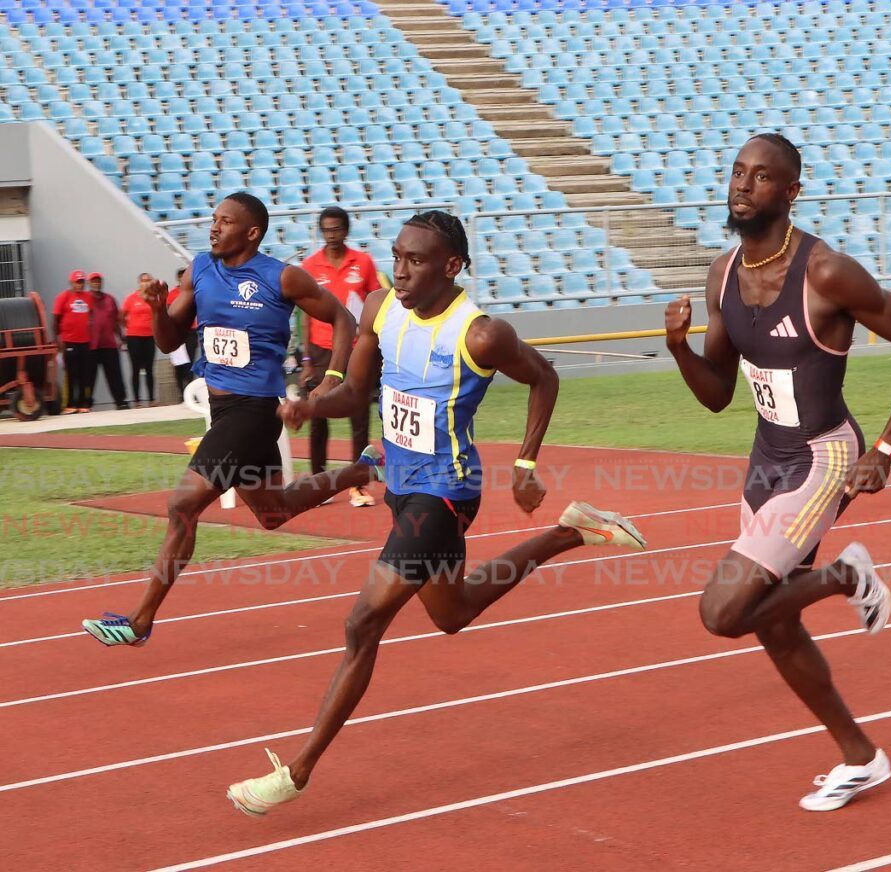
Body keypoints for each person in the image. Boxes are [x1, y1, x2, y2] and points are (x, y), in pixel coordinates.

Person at [226, 211, 646, 816]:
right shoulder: (378, 307)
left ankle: (296, 773)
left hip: (445, 491)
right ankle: (570, 532)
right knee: (454, 613)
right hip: (395, 472)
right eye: (396, 256)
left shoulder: (480, 334)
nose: (399, 270)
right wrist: (311, 407)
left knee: (362, 624)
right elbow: (354, 392)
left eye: (415, 261)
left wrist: (525, 465)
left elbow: (545, 378)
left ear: (452, 267)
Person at [663, 134, 891, 811]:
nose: (744, 185)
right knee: (773, 623)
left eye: (763, 177)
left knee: (723, 611)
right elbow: (718, 394)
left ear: (791, 191)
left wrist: (886, 449)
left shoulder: (826, 273)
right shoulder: (722, 276)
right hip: (765, 463)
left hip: (824, 456)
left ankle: (844, 574)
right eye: (738, 172)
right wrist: (676, 348)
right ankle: (861, 758)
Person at [82, 193, 364, 647]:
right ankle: (360, 469)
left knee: (182, 505)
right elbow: (169, 339)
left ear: (251, 233)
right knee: (275, 512)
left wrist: (330, 378)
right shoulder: (200, 270)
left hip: (254, 411)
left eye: (225, 221)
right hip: (222, 410)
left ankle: (139, 620)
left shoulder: (281, 277)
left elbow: (342, 317)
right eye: (214, 220)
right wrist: (157, 308)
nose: (214, 228)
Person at [300, 207, 381, 507]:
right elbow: (305, 316)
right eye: (327, 229)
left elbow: (376, 302)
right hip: (322, 351)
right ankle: (318, 481)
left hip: (358, 349)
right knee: (318, 416)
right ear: (321, 232)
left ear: (346, 230)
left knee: (359, 417)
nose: (332, 235)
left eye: (337, 229)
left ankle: (358, 485)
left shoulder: (363, 262)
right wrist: (307, 361)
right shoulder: (310, 266)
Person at [85, 272, 129, 410]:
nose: (96, 283)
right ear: (89, 283)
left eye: (98, 281)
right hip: (91, 345)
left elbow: (116, 320)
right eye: (93, 281)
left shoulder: (110, 299)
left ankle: (120, 401)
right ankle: (86, 403)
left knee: (115, 374)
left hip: (109, 343)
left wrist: (121, 336)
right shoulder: (85, 300)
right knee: (89, 377)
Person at [52, 270, 93, 413]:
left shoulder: (88, 297)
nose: (80, 285)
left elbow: (91, 315)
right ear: (71, 283)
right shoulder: (63, 297)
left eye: (82, 282)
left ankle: (82, 404)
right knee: (71, 373)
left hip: (85, 341)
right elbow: (55, 320)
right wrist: (58, 339)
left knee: (84, 373)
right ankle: (70, 404)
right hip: (69, 341)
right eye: (77, 282)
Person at [121, 272, 157, 407]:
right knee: (135, 368)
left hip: (149, 336)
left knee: (149, 368)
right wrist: (129, 327)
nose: (146, 283)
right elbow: (121, 316)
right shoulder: (131, 298)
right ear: (139, 283)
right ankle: (136, 400)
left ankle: (152, 399)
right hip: (134, 337)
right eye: (143, 280)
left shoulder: (154, 298)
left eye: (148, 280)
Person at [167, 266, 199, 399]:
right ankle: (182, 393)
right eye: (181, 276)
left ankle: (190, 391)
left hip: (191, 331)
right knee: (179, 364)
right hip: (178, 331)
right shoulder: (172, 293)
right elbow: (169, 312)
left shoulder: (194, 292)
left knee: (190, 362)